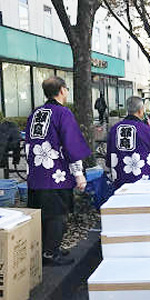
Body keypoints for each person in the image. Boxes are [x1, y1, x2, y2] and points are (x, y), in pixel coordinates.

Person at [26, 76, 91, 266]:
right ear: (62, 90)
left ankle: (49, 248)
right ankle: (49, 253)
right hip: (55, 174)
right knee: (57, 215)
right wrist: (79, 175)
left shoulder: (35, 113)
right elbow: (71, 146)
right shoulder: (62, 113)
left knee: (43, 215)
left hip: (36, 174)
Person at [106, 96, 150, 190]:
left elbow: (109, 158)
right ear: (140, 110)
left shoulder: (114, 129)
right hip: (139, 182)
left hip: (119, 181)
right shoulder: (144, 129)